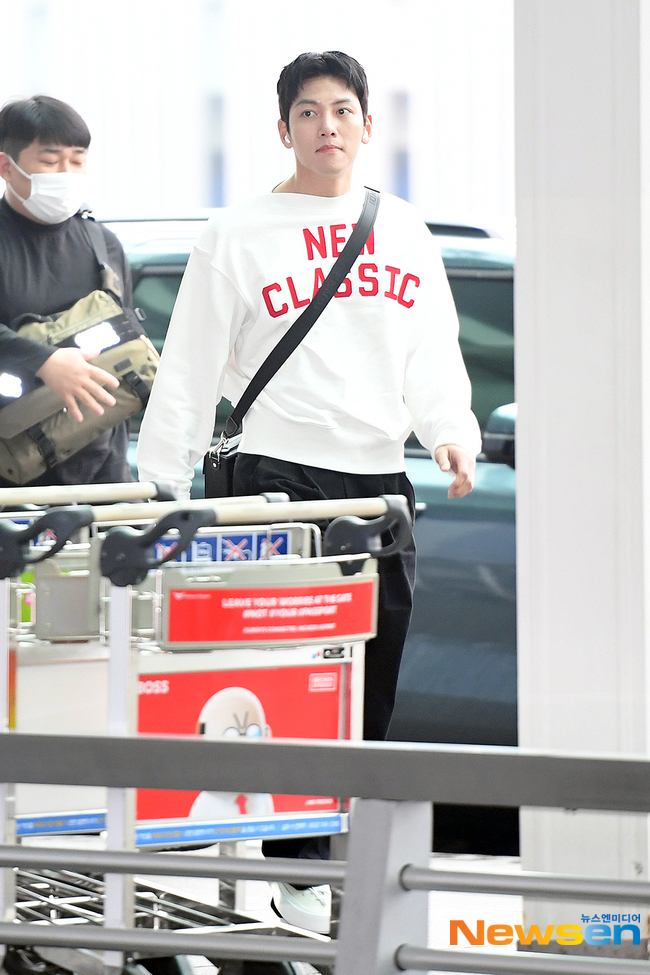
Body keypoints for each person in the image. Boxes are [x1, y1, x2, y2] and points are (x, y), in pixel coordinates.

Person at [137, 51, 482, 932]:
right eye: (307, 112)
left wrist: (450, 428)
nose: (327, 126)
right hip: (279, 479)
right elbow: (190, 363)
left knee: (372, 681)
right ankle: (297, 868)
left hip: (380, 482)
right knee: (291, 677)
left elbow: (432, 348)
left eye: (342, 110)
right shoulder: (239, 233)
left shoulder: (402, 229)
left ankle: (324, 854)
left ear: (367, 124)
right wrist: (161, 480)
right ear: (283, 129)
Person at [0, 94, 134, 487]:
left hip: (101, 474)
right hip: (11, 479)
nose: (66, 172)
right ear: (6, 166)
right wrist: (45, 362)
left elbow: (125, 343)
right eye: (49, 160)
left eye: (77, 160)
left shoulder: (102, 244)